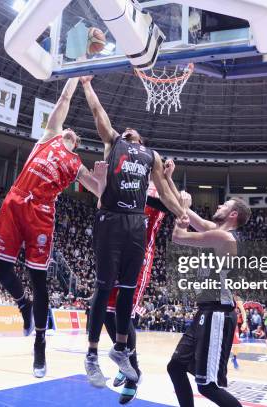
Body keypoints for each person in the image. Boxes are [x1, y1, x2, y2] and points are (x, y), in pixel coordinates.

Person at [0, 77, 108, 379]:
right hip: (15, 202)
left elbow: (101, 194)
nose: (69, 130)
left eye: (73, 134)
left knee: (39, 280)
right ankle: (22, 305)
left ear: (76, 143)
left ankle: (40, 342)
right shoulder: (49, 136)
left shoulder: (77, 164)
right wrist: (75, 76)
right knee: (1, 271)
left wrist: (103, 177)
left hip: (41, 213)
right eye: (68, 128)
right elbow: (63, 102)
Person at [79, 75, 188, 390]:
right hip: (113, 220)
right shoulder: (115, 144)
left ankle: (124, 357)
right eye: (124, 130)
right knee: (104, 295)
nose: (128, 130)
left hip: (137, 231)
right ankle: (98, 356)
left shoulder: (150, 160)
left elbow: (169, 197)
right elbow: (101, 117)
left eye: (132, 131)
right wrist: (87, 86)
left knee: (123, 297)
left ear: (140, 139)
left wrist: (181, 209)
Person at [105, 159, 182, 404]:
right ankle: (124, 359)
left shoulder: (161, 187)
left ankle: (133, 374)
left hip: (138, 254)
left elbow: (178, 206)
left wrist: (167, 178)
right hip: (115, 250)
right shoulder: (126, 179)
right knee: (106, 312)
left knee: (123, 314)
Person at [167, 196, 251, 407]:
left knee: (206, 385)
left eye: (225, 205)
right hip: (206, 311)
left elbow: (178, 236)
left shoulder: (224, 238)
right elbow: (190, 216)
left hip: (218, 314)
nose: (219, 205)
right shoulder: (217, 231)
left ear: (233, 214)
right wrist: (167, 180)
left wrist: (182, 215)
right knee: (175, 366)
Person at [231, 295, 248, 369]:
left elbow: (243, 311)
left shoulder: (236, 298)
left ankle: (234, 358)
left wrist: (244, 322)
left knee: (236, 344)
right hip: (222, 322)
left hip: (233, 323)